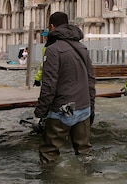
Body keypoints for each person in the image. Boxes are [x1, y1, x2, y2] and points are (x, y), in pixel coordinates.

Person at [34, 12, 96, 164]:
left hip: (62, 109)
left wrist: (39, 113)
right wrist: (91, 106)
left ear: (52, 27)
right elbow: (90, 80)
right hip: (84, 107)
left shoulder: (53, 49)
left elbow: (49, 86)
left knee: (49, 152)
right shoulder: (82, 47)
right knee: (84, 152)